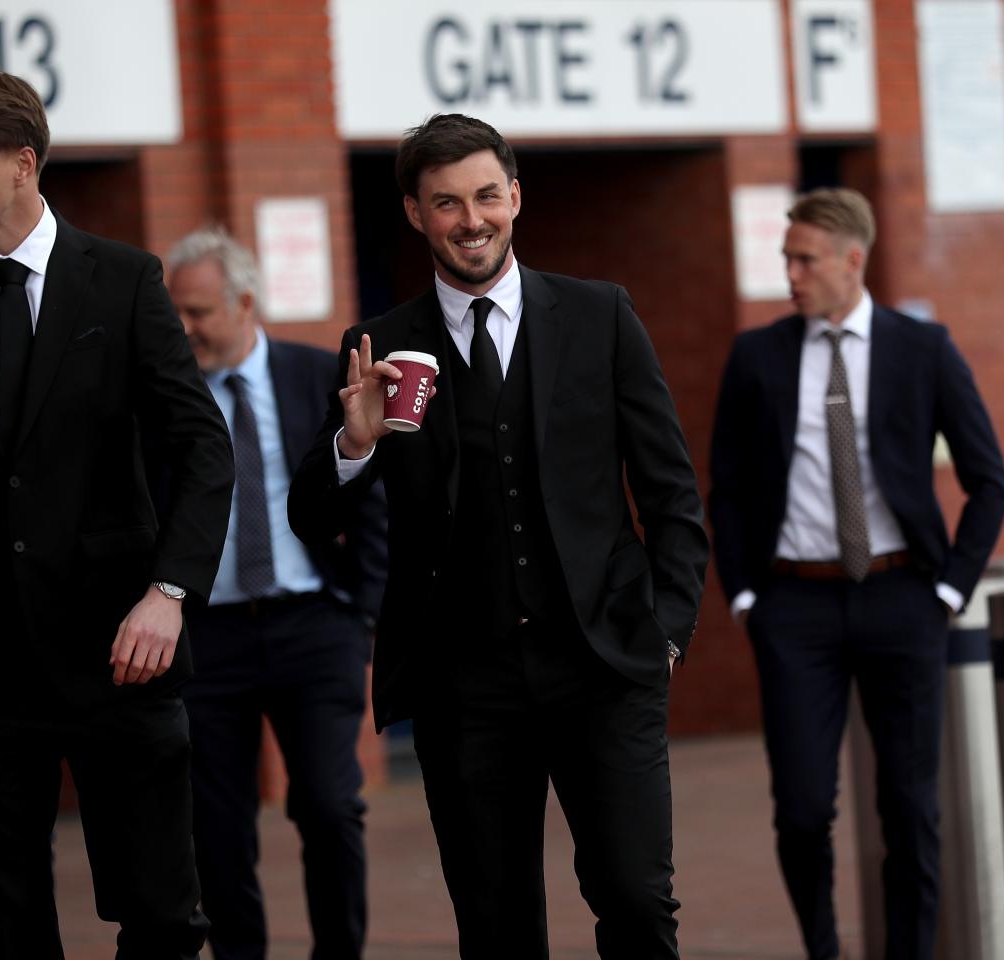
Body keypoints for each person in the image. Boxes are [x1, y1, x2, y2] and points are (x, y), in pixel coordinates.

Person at [287, 113, 708, 959]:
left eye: (486, 195)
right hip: (463, 683)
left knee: (635, 901)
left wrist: (664, 630)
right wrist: (355, 443)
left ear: (514, 196)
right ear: (414, 213)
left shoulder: (601, 316)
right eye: (446, 203)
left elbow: (671, 493)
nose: (470, 219)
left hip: (603, 663)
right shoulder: (379, 347)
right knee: (496, 924)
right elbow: (312, 519)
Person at [0, 67, 234, 960]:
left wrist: (169, 592)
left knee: (163, 914)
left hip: (122, 653)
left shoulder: (127, 281)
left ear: (24, 163)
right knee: (10, 923)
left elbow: (203, 449)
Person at [709, 188, 1004, 960]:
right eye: (786, 258)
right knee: (803, 808)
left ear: (852, 260)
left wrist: (948, 591)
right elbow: (729, 486)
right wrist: (746, 595)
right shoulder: (758, 355)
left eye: (804, 259)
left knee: (909, 809)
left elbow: (989, 480)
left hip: (904, 598)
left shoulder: (924, 349)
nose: (791, 274)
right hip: (795, 607)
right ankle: (824, 949)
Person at [165, 225, 387, 960]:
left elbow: (372, 497)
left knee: (329, 806)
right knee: (216, 829)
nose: (186, 328)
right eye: (179, 314)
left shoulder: (315, 376)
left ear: (246, 301)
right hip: (207, 637)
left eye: (199, 312)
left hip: (314, 624)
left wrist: (362, 608)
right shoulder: (164, 399)